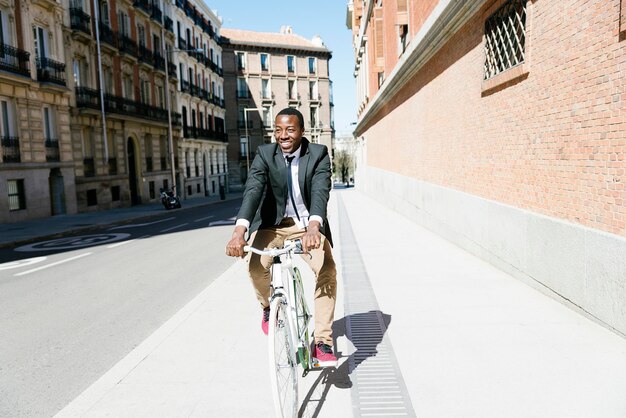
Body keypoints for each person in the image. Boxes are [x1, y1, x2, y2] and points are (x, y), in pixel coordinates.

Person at [225, 107, 337, 367]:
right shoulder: (265, 154)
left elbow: (321, 191)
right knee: (255, 267)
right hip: (273, 226)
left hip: (307, 226)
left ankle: (322, 341)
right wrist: (239, 232)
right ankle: (268, 307)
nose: (283, 135)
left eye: (289, 129)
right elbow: (253, 190)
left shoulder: (318, 154)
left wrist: (313, 228)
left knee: (327, 269)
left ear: (301, 131)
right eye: (278, 130)